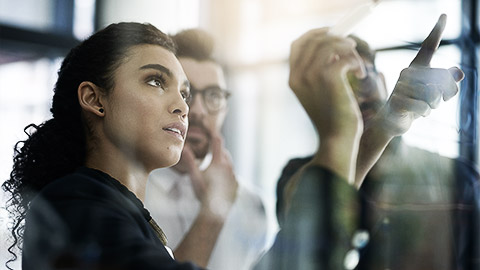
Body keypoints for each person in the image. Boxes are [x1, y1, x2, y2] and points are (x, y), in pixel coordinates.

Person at [255, 14, 468, 269]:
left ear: (383, 81)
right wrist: (381, 128)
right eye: (342, 86)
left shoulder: (458, 179)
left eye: (363, 76)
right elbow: (301, 238)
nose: (357, 94)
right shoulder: (300, 176)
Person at [2, 22, 203, 270]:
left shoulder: (113, 208)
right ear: (94, 99)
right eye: (155, 81)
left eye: (184, 94)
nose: (183, 107)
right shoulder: (73, 205)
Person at [144, 29, 275, 270]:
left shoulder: (252, 206)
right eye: (187, 93)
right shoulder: (131, 197)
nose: (198, 111)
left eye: (214, 96)